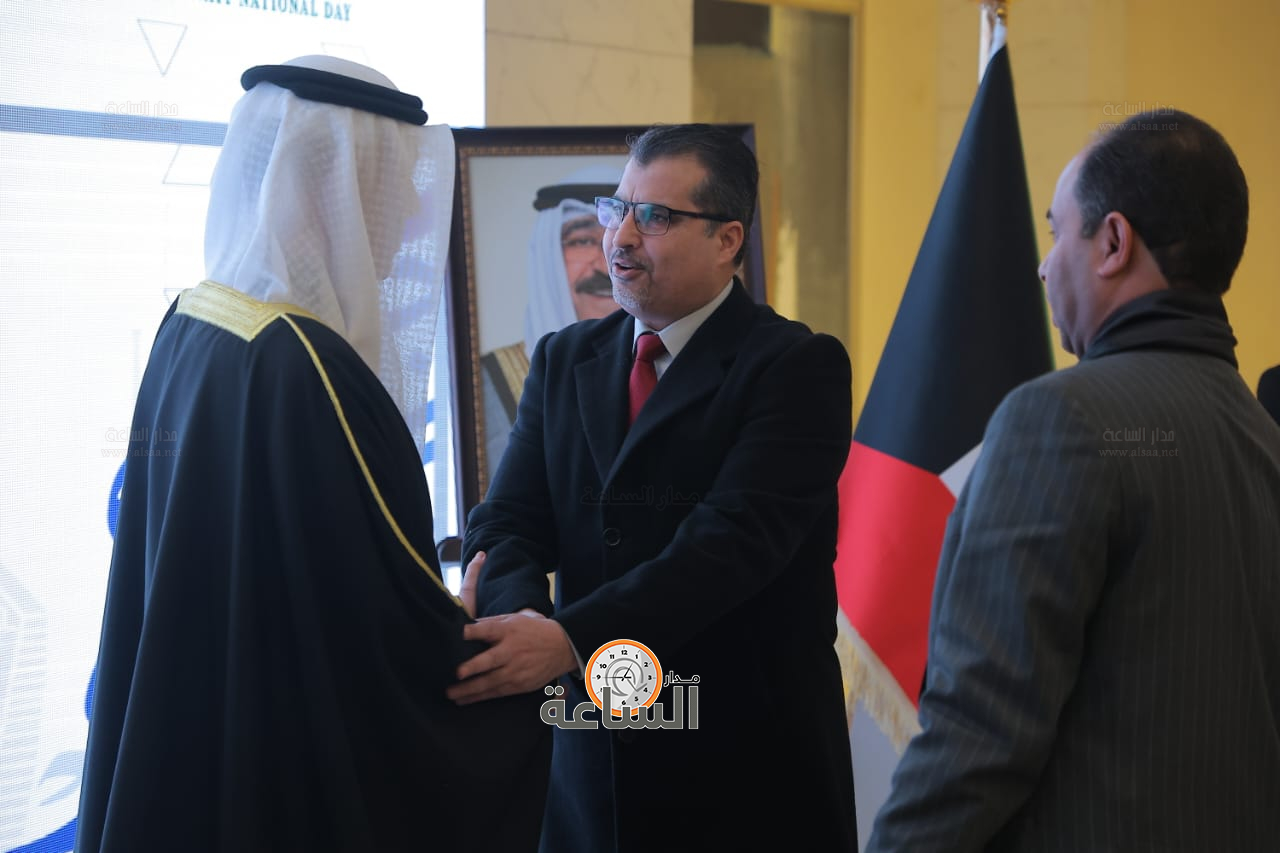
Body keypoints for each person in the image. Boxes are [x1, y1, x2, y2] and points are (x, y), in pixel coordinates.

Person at [76, 56, 550, 853]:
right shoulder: (311, 369)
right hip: (274, 759)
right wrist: (467, 631)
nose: (409, 216)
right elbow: (375, 628)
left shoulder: (191, 319)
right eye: (391, 185)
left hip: (194, 725)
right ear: (335, 186)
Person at [867, 109, 1280, 851]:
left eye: (1059, 233)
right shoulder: (1262, 434)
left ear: (1114, 243)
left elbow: (981, 727)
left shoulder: (1060, 418)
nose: (1044, 264)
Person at [449, 123, 858, 851]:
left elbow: (729, 547)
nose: (622, 237)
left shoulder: (795, 366)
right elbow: (506, 522)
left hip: (740, 774)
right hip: (590, 773)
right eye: (617, 209)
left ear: (728, 240)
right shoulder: (564, 357)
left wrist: (569, 640)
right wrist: (521, 624)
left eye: (656, 216)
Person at [479, 166, 621, 480]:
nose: (607, 265)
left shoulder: (676, 366)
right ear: (549, 258)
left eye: (620, 241)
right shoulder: (486, 384)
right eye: (582, 241)